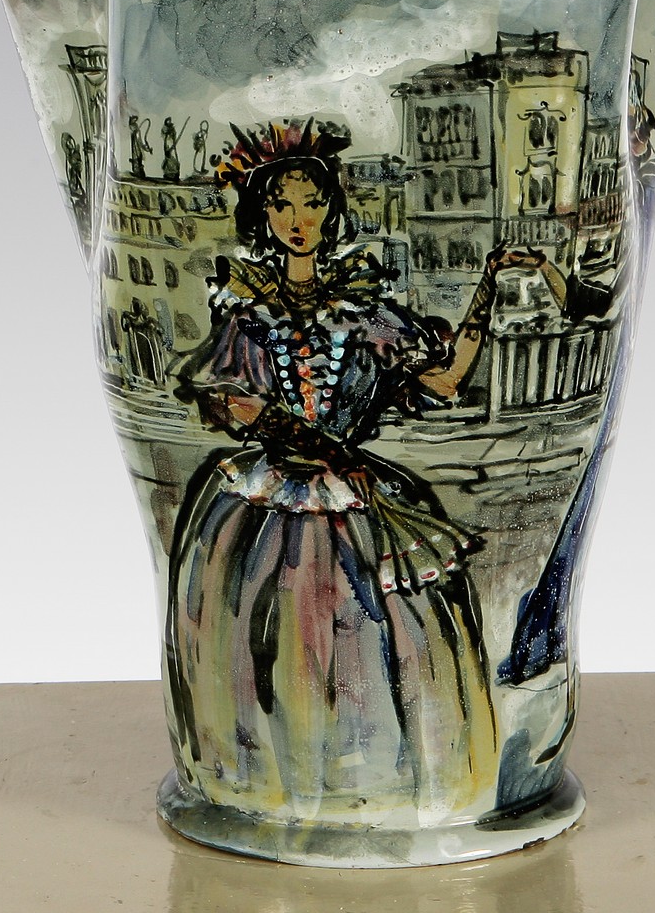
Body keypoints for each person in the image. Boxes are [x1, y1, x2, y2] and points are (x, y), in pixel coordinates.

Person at [164, 118, 533, 821]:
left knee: (377, 639)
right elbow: (235, 404)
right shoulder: (247, 311)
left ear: (331, 209)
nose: (297, 220)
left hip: (357, 501)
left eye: (311, 203)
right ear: (261, 216)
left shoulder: (363, 311)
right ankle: (271, 784)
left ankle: (379, 784)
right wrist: (321, 449)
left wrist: (487, 286)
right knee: (271, 636)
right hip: (268, 500)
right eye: (281, 205)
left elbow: (446, 380)